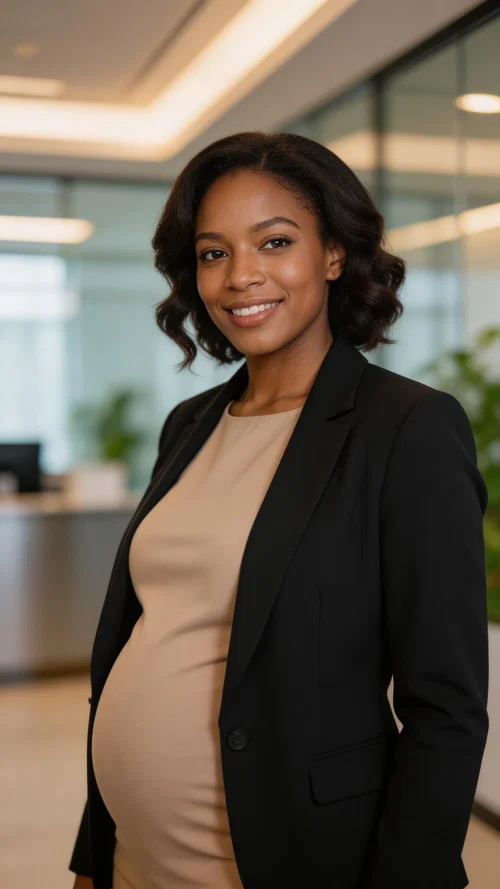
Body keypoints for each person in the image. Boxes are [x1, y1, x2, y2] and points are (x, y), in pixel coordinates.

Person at [69, 131, 489, 889]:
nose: (241, 276)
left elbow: (447, 710)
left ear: (333, 254)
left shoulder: (405, 427)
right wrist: (93, 857)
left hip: (286, 861)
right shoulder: (190, 424)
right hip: (135, 860)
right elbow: (142, 646)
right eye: (213, 252)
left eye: (275, 241)